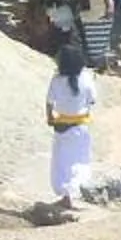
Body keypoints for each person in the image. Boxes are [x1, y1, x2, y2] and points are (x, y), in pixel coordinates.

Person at [44, 35, 99, 217]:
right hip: (80, 125)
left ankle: (66, 197)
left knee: (61, 163)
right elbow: (93, 100)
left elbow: (49, 102)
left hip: (61, 126)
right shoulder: (86, 77)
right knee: (79, 161)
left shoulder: (57, 79)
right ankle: (72, 196)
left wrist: (50, 118)